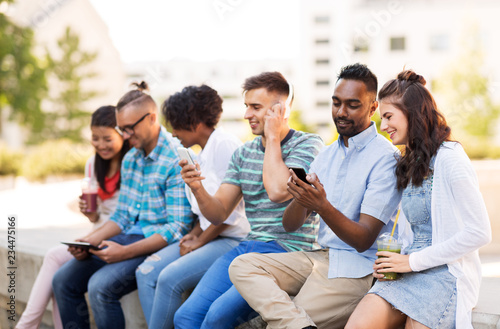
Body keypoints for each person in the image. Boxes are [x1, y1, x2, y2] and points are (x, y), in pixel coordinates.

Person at [229, 63, 402, 329]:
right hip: (321, 256)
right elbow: (289, 224)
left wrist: (321, 205)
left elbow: (363, 239)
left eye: (352, 105)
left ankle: (285, 323)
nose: (341, 112)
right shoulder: (326, 156)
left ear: (372, 108)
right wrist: (302, 199)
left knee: (284, 319)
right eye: (336, 103)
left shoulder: (385, 158)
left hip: (359, 267)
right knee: (242, 266)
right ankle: (296, 325)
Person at [173, 72, 324, 329]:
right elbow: (219, 213)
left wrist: (273, 136)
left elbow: (278, 190)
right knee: (185, 317)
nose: (247, 115)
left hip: (287, 253)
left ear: (281, 110)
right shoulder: (243, 153)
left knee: (217, 317)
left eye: (256, 107)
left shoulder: (308, 144)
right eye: (246, 106)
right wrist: (197, 187)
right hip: (249, 248)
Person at [345, 70, 492, 329]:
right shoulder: (410, 162)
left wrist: (412, 262)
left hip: (445, 273)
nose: (384, 125)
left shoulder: (451, 158)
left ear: (412, 112)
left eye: (389, 116)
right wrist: (394, 261)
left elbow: (479, 232)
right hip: (405, 269)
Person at [52, 82, 193, 329]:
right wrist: (89, 240)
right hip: (128, 238)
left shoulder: (175, 158)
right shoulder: (131, 158)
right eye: (122, 129)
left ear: (151, 118)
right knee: (63, 280)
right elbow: (123, 216)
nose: (125, 136)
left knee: (100, 288)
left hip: (156, 245)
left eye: (129, 129)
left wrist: (123, 252)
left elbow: (178, 228)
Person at [135, 84, 250, 329]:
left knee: (168, 279)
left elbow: (229, 213)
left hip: (232, 239)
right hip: (211, 237)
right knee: (146, 273)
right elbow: (206, 210)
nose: (172, 132)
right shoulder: (200, 153)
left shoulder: (224, 145)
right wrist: (194, 235)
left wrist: (200, 241)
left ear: (195, 123)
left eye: (176, 124)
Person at [15, 106, 129, 329]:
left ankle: (26, 325)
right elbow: (97, 216)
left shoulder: (131, 165)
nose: (101, 144)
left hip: (120, 238)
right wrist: (90, 213)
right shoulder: (92, 164)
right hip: (96, 236)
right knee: (60, 276)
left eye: (107, 138)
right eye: (95, 138)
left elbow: (127, 216)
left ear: (122, 135)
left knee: (55, 259)